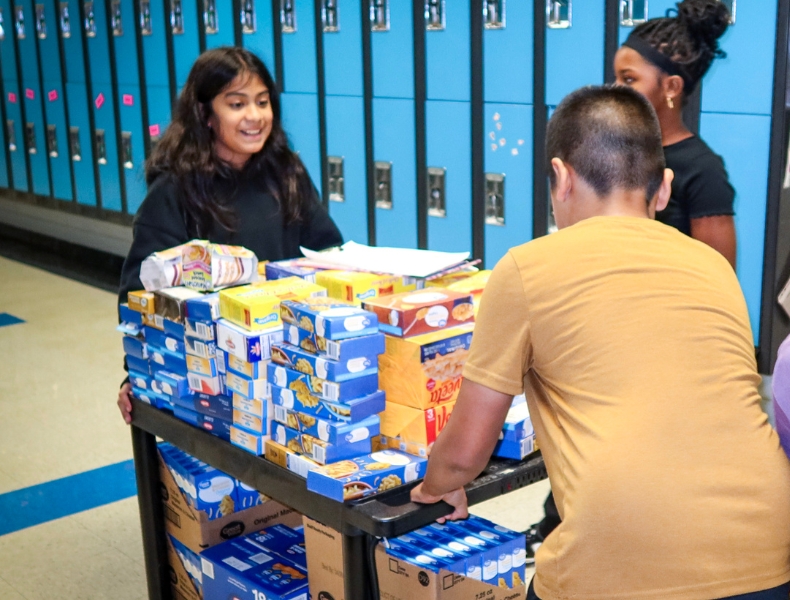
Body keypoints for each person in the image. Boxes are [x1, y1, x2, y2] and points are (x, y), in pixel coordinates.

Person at [410, 85, 790, 600]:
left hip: (623, 551)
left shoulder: (526, 268)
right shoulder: (713, 266)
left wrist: (436, 486)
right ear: (664, 189)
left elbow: (465, 454)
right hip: (767, 548)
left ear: (561, 178)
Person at [527, 0, 738, 558]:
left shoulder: (702, 171)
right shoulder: (610, 159)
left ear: (671, 88)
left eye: (628, 79)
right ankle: (561, 526)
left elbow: (719, 275)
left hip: (663, 353)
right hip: (605, 340)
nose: (615, 89)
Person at [116, 47, 342, 423]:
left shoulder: (286, 173)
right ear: (205, 114)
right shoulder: (175, 190)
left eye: (262, 102)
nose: (254, 116)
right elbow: (140, 295)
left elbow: (328, 252)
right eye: (237, 104)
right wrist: (139, 370)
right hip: (213, 376)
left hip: (290, 359)